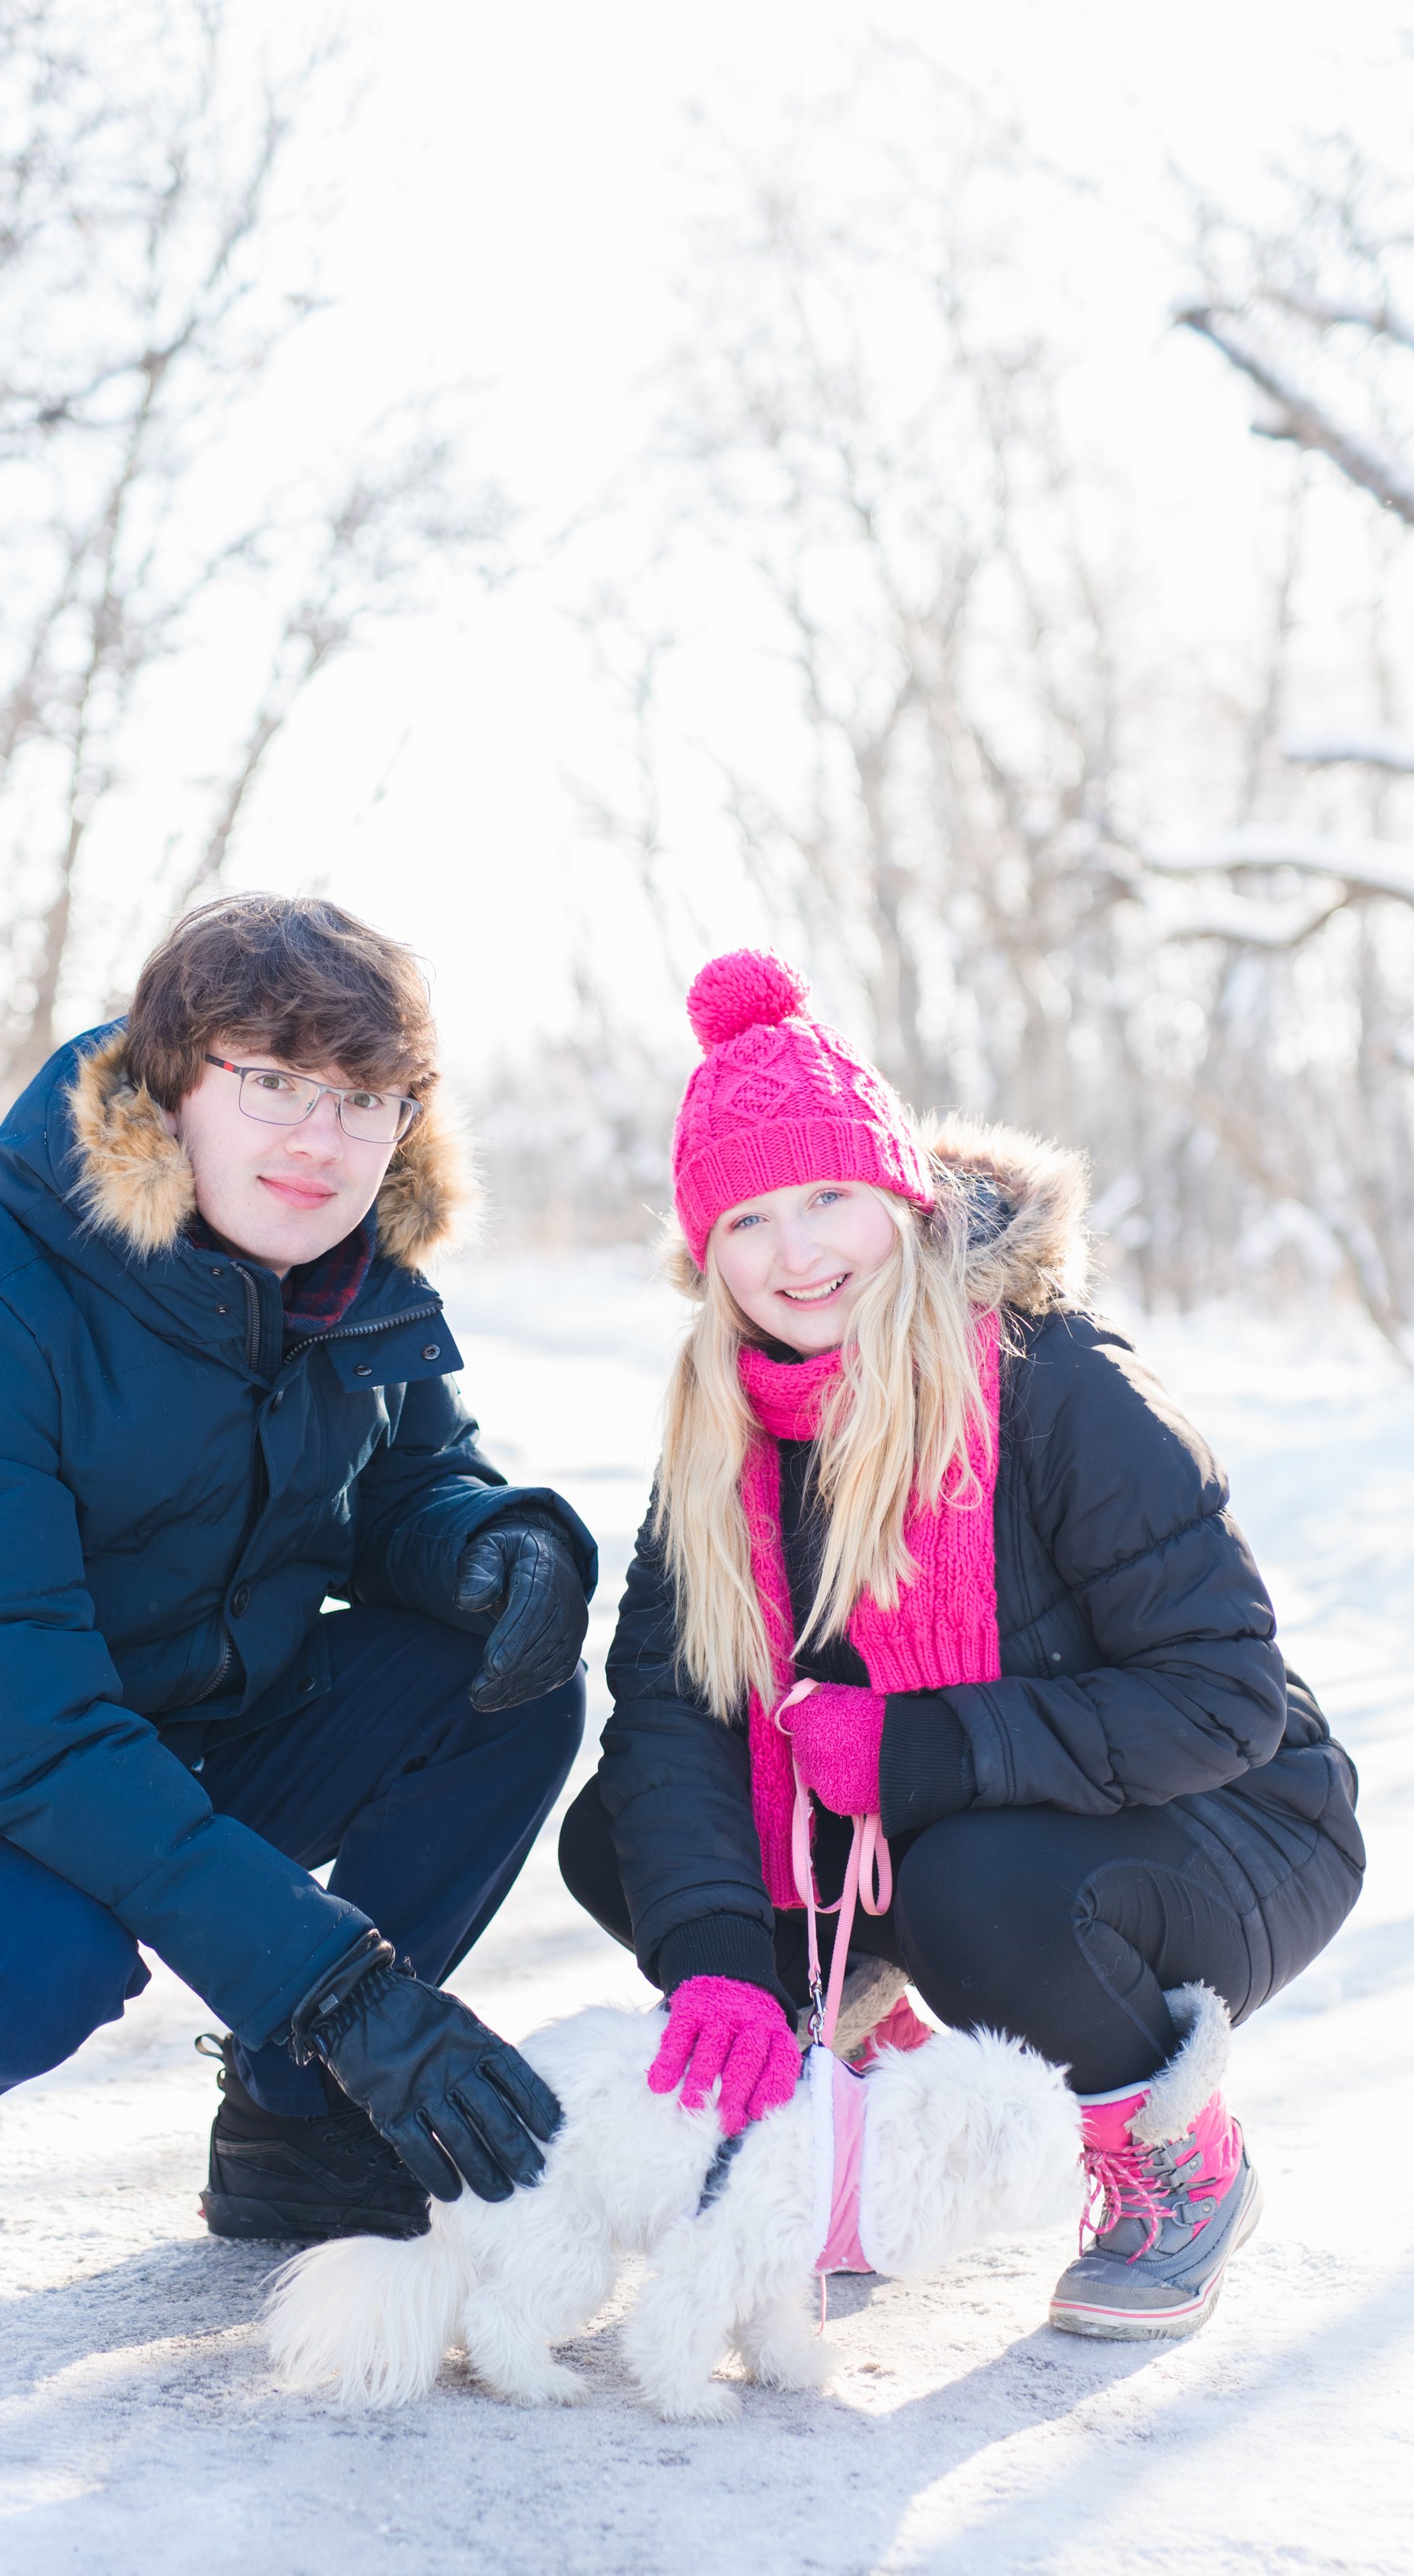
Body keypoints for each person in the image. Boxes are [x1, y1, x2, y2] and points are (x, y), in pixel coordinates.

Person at [0, 894, 595, 2299]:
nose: (322, 1137)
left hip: (179, 1713)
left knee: (502, 1671)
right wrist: (345, 1988)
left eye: (367, 1098)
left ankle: (294, 2124)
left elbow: (410, 1483)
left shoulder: (348, 1272)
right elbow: (28, 1730)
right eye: (274, 1081)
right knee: (35, 1957)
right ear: (171, 1081)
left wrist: (491, 1547)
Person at [559, 948, 1363, 2339]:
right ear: (708, 1258)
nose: (798, 1251)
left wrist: (917, 1748)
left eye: (827, 1198)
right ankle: (863, 2087)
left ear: (898, 1194)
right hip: (941, 1824)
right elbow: (669, 1720)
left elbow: (1222, 1696)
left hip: (1225, 1818)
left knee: (974, 1884)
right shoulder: (719, 1436)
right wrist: (718, 1962)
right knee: (623, 1834)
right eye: (748, 1220)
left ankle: (1171, 2153)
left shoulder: (1056, 1384)